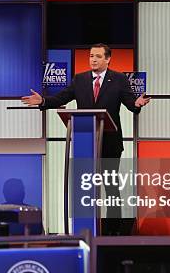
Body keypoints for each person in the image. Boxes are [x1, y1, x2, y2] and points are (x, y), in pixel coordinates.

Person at [22, 43, 151, 233]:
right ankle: (86, 229)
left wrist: (137, 103)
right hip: (86, 142)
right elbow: (62, 98)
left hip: (110, 143)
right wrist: (44, 101)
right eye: (91, 56)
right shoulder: (80, 80)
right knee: (86, 187)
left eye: (98, 56)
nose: (93, 60)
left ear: (107, 59)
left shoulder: (119, 79)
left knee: (111, 188)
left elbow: (130, 103)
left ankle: (111, 231)